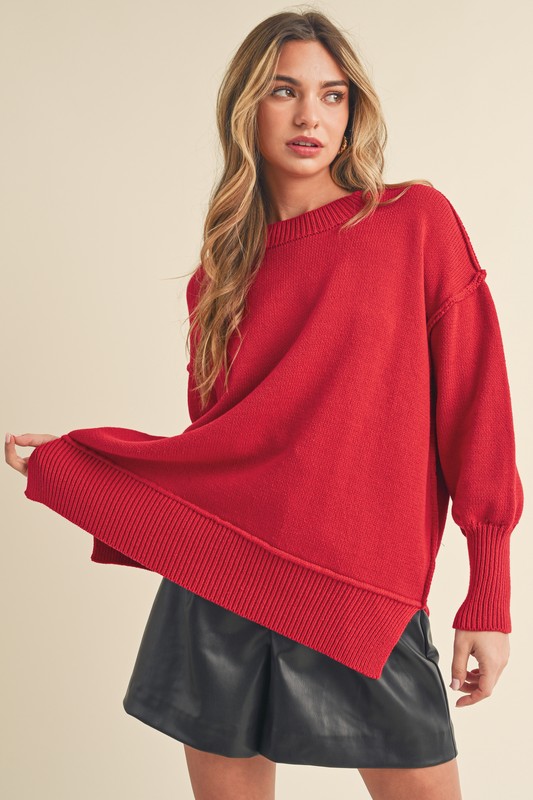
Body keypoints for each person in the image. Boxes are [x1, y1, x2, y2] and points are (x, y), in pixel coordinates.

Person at [5, 9, 523, 800]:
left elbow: (476, 408)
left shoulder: (413, 223)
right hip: (219, 592)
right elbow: (224, 453)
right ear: (247, 106)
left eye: (332, 94)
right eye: (285, 91)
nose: (311, 115)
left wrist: (486, 593)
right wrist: (86, 468)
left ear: (352, 111)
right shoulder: (218, 279)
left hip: (361, 596)